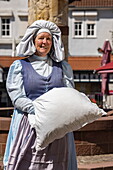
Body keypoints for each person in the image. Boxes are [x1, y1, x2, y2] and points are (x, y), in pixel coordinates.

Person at [3, 20, 78, 170]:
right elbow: (17, 96)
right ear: (33, 40)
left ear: (53, 42)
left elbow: (69, 94)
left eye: (48, 39)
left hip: (57, 125)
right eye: (41, 38)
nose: (44, 42)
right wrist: (39, 111)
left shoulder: (62, 67)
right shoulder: (19, 66)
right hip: (28, 124)